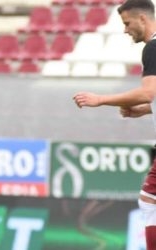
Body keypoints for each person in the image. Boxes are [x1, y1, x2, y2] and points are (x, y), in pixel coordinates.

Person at [73, 0, 156, 248]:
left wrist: (100, 100)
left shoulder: (152, 48)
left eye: (127, 23)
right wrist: (145, 110)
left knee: (149, 200)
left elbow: (148, 91)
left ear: (142, 19)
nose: (125, 30)